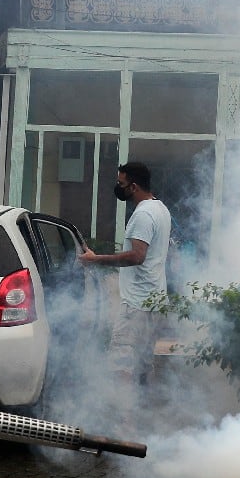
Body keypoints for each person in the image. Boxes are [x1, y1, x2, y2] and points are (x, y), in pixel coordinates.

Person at [77, 162, 171, 404]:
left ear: (134, 186)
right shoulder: (161, 209)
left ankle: (124, 416)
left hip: (136, 305)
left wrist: (96, 259)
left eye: (121, 183)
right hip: (154, 301)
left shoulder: (143, 215)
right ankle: (143, 410)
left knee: (121, 365)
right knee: (143, 363)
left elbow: (137, 256)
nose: (118, 187)